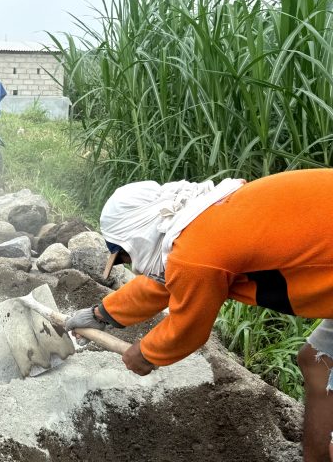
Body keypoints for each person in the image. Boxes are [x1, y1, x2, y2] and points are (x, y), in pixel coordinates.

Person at [65, 169, 333, 462]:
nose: (132, 266)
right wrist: (99, 314)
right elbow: (164, 282)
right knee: (318, 360)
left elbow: (188, 327)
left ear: (139, 236)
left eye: (125, 256)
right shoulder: (199, 218)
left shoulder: (196, 254)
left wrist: (144, 354)